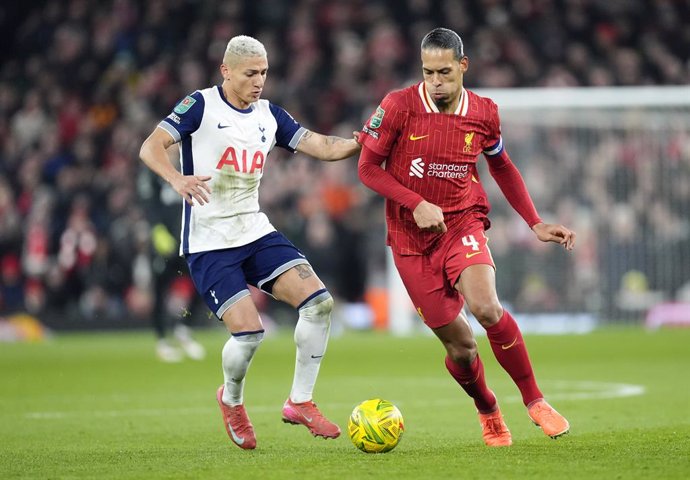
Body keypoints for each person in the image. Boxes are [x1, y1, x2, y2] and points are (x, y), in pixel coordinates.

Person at [139, 35, 360, 450]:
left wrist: (363, 144)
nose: (259, 81)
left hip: (255, 231)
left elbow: (322, 146)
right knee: (250, 334)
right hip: (208, 241)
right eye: (250, 73)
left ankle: (301, 401)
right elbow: (150, 146)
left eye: (264, 73)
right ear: (226, 71)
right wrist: (177, 179)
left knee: (319, 303)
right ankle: (232, 400)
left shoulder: (268, 114)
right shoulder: (200, 105)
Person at [357, 27, 576, 447]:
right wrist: (415, 202)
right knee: (461, 347)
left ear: (463, 65)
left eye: (443, 72)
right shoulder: (399, 105)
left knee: (487, 307)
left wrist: (535, 222)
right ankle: (488, 408)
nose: (435, 82)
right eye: (427, 73)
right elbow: (368, 169)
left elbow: (502, 166)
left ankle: (535, 401)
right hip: (409, 239)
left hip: (463, 223)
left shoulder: (485, 112)